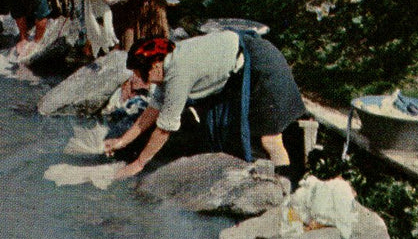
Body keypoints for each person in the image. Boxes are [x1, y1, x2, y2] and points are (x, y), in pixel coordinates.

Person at [104, 33, 309, 183]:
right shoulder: (166, 67)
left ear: (155, 64)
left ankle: (285, 188)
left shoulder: (177, 72)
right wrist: (121, 142)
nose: (139, 79)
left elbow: (165, 127)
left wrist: (138, 164)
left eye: (141, 73)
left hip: (261, 66)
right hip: (239, 66)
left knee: (270, 138)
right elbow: (151, 112)